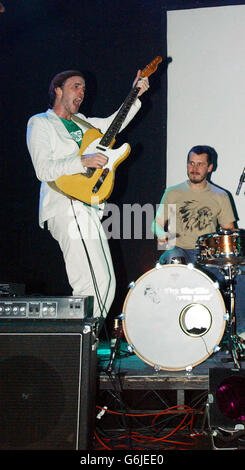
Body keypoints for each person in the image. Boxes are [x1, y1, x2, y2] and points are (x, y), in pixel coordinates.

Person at [27, 69, 149, 322]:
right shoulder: (40, 122)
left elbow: (115, 122)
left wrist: (134, 94)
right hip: (65, 203)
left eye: (83, 88)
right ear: (57, 90)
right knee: (88, 282)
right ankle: (75, 348)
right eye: (76, 86)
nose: (82, 93)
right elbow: (43, 169)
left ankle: (86, 342)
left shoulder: (83, 121)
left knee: (106, 283)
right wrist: (82, 161)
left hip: (88, 206)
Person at [152, 145, 245, 337]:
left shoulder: (220, 195)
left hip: (208, 257)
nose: (194, 168)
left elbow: (229, 230)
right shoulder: (173, 192)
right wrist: (160, 233)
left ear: (210, 167)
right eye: (191, 163)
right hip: (179, 250)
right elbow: (157, 223)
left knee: (241, 276)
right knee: (173, 258)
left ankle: (239, 334)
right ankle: (168, 331)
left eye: (200, 164)